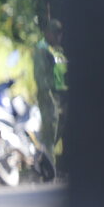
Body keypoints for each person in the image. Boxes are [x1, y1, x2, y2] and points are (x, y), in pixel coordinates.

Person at [33, 19, 68, 170]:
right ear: (48, 33)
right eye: (55, 34)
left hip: (60, 94)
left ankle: (43, 161)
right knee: (50, 132)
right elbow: (41, 77)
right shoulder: (42, 49)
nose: (58, 37)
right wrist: (49, 95)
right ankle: (48, 168)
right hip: (48, 95)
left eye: (59, 34)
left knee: (58, 129)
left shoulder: (56, 49)